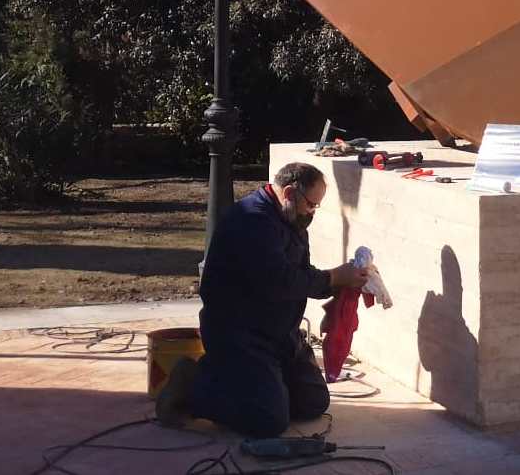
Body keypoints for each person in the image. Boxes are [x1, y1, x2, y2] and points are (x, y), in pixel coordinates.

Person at [155, 162, 368, 436]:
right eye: (311, 204)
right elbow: (280, 281)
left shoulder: (291, 218)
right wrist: (334, 278)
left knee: (313, 402)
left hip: (278, 333)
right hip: (240, 334)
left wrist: (334, 294)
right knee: (268, 421)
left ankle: (256, 385)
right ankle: (193, 384)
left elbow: (300, 273)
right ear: (290, 192)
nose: (312, 212)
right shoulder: (252, 221)